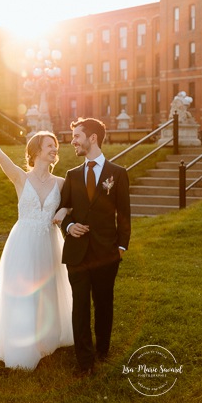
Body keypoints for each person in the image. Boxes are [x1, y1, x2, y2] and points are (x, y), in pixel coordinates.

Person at [0, 120, 73, 370]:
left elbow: (73, 203)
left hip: (49, 241)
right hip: (24, 241)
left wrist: (64, 210)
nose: (55, 150)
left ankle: (45, 338)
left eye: (56, 146)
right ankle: (21, 344)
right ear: (36, 151)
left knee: (46, 291)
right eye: (50, 145)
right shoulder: (19, 177)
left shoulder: (60, 183)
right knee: (23, 291)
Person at [56, 117, 130, 377]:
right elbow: (62, 210)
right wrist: (68, 226)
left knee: (103, 302)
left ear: (92, 138)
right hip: (77, 253)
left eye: (77, 136)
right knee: (80, 307)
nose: (73, 140)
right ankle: (85, 361)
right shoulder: (72, 175)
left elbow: (124, 214)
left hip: (107, 252)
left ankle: (103, 351)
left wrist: (121, 247)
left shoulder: (118, 173)